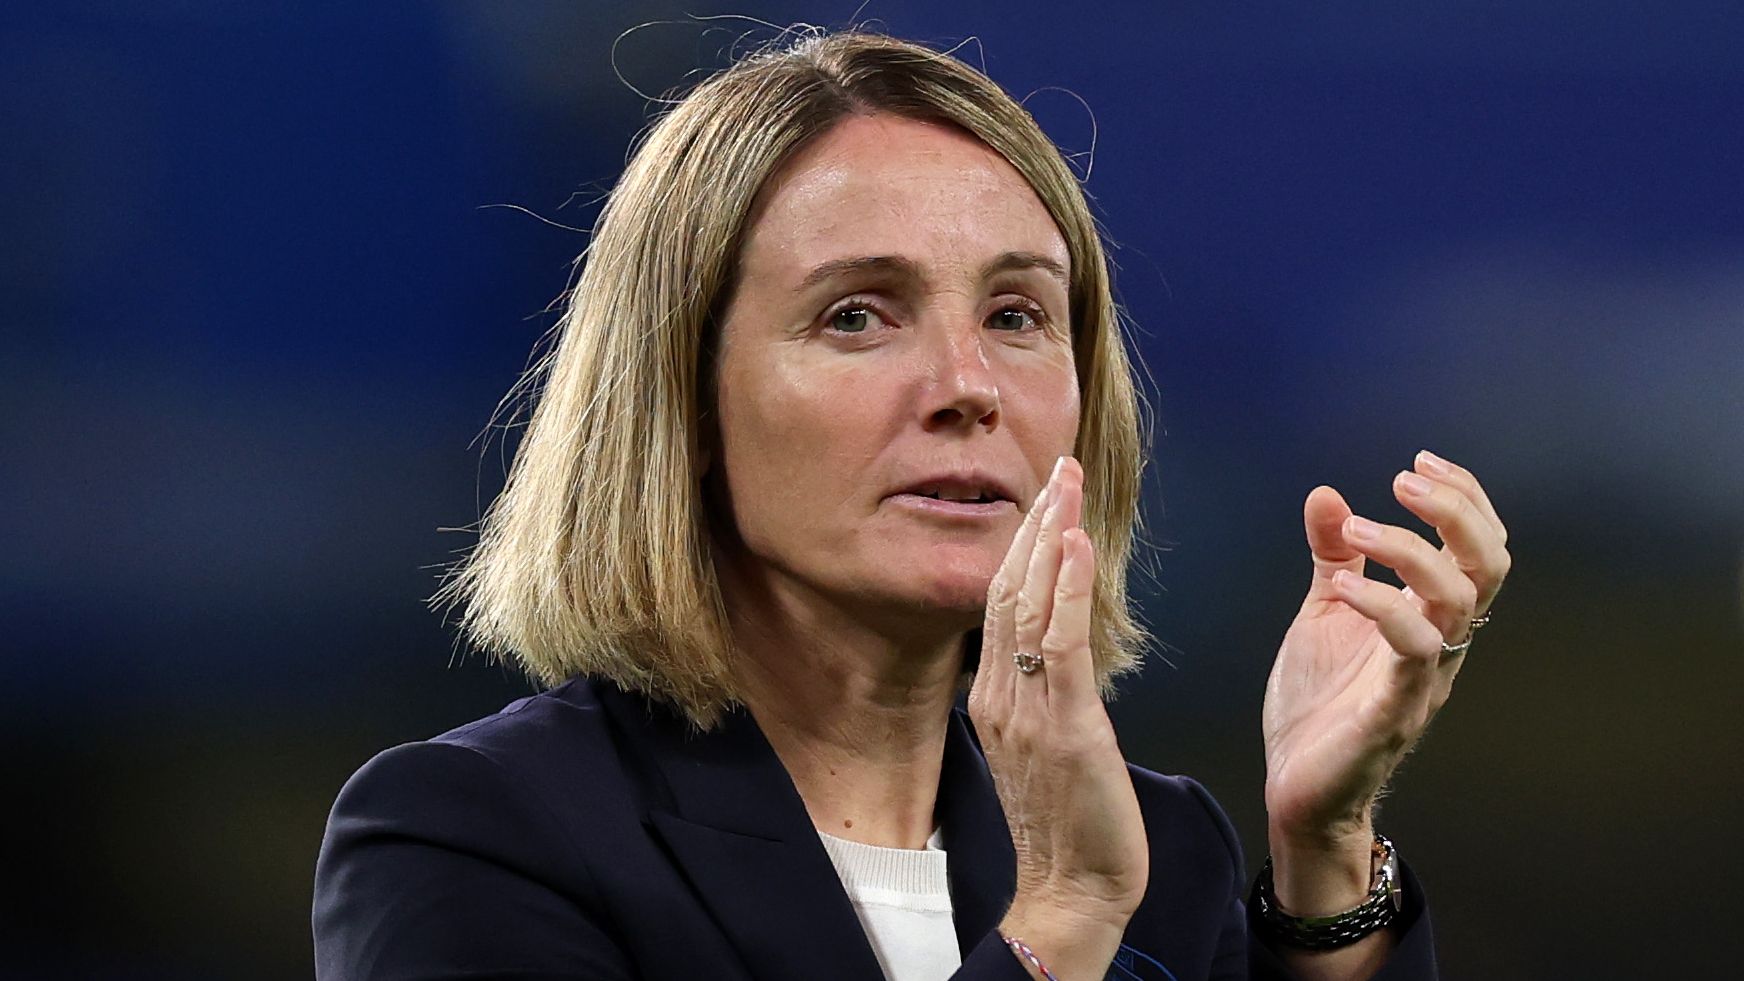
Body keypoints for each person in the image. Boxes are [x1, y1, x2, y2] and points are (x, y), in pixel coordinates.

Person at [313, 29, 1509, 981]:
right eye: (856, 316)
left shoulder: (1168, 856)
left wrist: (1322, 854)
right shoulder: (476, 836)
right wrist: (1061, 923)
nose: (967, 387)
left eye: (1016, 315)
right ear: (682, 399)